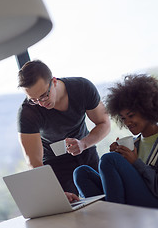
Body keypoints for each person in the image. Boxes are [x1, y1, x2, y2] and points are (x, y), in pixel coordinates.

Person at [73, 74, 158, 209]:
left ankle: (116, 218)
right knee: (81, 172)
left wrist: (135, 163)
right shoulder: (136, 144)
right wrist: (121, 159)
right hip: (135, 200)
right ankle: (105, 216)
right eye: (123, 118)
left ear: (147, 110)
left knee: (109, 159)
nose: (127, 122)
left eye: (131, 116)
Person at [17, 60, 110, 199]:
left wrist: (83, 144)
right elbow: (34, 162)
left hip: (86, 149)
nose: (41, 104)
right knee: (69, 211)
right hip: (54, 163)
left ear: (54, 81)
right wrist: (56, 193)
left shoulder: (82, 88)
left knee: (104, 199)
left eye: (44, 96)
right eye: (34, 99)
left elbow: (104, 123)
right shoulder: (28, 112)